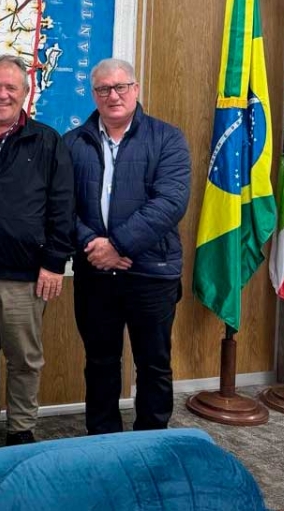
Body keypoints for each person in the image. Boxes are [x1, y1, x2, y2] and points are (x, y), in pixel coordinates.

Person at [64, 58, 191, 434]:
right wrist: (93, 244)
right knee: (100, 361)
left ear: (136, 89)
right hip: (95, 273)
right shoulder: (72, 143)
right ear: (94, 95)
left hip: (151, 273)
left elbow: (171, 202)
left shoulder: (167, 139)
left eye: (121, 87)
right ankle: (103, 439)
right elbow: (60, 207)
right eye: (104, 89)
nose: (113, 95)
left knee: (153, 363)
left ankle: (151, 439)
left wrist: (118, 245)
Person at [0, 55, 74, 453]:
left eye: (11, 87)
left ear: (25, 92)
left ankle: (22, 429)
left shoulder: (47, 140)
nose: (2, 94)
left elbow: (62, 206)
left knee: (24, 358)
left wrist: (54, 262)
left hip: (25, 276)